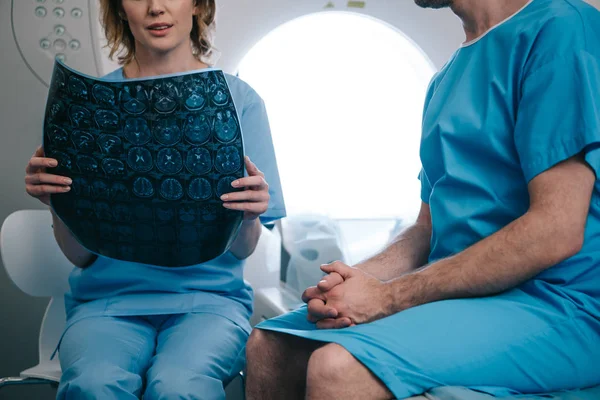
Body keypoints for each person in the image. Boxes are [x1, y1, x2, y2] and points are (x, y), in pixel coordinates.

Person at [245, 0, 600, 399]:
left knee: (337, 367)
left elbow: (556, 230)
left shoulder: (560, 28)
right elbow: (426, 231)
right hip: (464, 298)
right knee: (269, 345)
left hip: (556, 304)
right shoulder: (444, 80)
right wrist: (348, 283)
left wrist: (388, 297)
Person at [24, 0, 286, 398]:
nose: (155, 7)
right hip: (107, 304)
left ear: (198, 5)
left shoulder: (239, 101)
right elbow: (81, 257)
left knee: (180, 387)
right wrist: (57, 203)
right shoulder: (88, 105)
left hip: (209, 302)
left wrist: (248, 216)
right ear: (119, 9)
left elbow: (240, 252)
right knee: (95, 385)